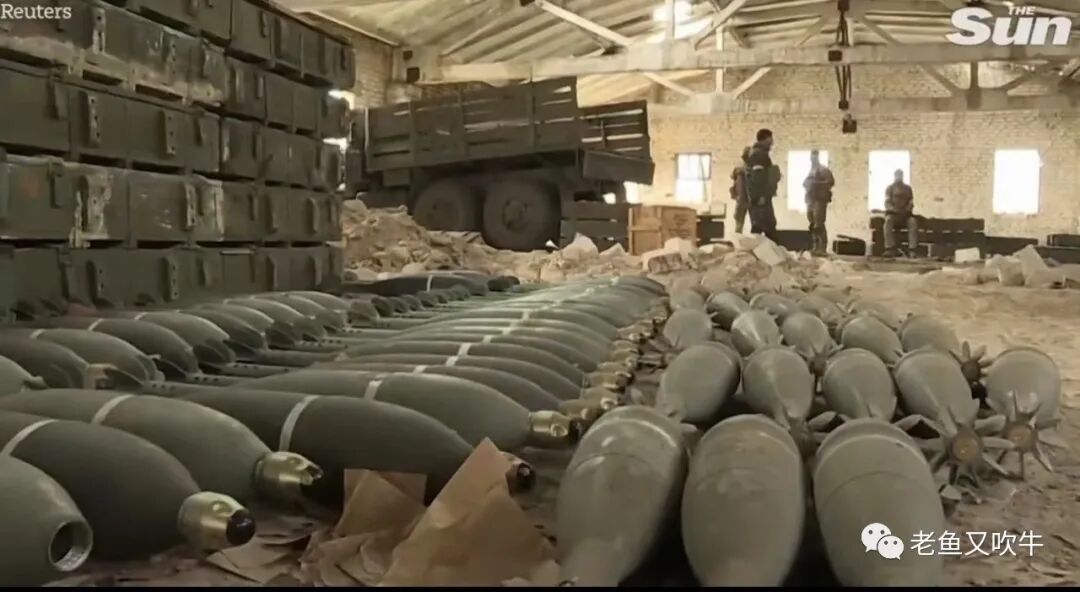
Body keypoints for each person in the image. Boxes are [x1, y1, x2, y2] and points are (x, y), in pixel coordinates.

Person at [744, 129, 781, 241]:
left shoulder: (758, 153)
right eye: (770, 138)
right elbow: (758, 176)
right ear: (765, 139)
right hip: (761, 197)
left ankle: (763, 249)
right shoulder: (759, 155)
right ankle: (766, 250)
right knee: (765, 226)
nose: (772, 142)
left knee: (761, 226)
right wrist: (761, 196)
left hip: (761, 196)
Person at [803, 150, 835, 256]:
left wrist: (816, 183)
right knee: (812, 223)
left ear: (817, 157)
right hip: (810, 198)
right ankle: (815, 246)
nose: (812, 159)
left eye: (814, 157)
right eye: (811, 157)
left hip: (819, 199)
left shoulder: (823, 170)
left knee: (819, 223)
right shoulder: (810, 170)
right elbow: (806, 182)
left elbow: (830, 182)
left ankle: (822, 248)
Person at [883, 169, 918, 257]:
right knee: (888, 221)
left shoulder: (908, 189)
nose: (899, 177)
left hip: (905, 215)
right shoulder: (889, 188)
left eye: (900, 175)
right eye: (897, 175)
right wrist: (894, 210)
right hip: (893, 215)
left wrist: (907, 210)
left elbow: (911, 203)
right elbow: (887, 203)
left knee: (913, 222)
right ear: (895, 176)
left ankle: (912, 249)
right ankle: (890, 248)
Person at [729, 146, 751, 233]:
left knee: (754, 226)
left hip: (748, 200)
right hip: (743, 200)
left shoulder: (740, 170)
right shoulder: (739, 170)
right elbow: (734, 181)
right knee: (739, 225)